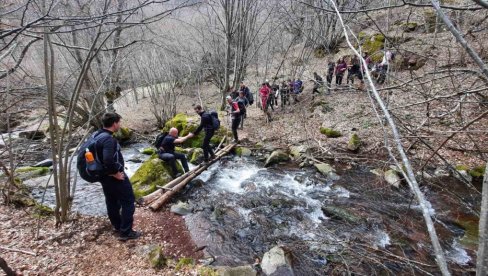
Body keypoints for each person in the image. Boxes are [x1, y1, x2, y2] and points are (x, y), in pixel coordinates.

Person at [97, 113, 141, 241]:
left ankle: (117, 226)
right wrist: (115, 173)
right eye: (119, 122)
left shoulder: (97, 135)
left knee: (111, 201)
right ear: (115, 123)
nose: (120, 125)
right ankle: (126, 232)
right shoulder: (109, 139)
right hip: (114, 177)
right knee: (128, 201)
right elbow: (108, 159)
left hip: (103, 176)